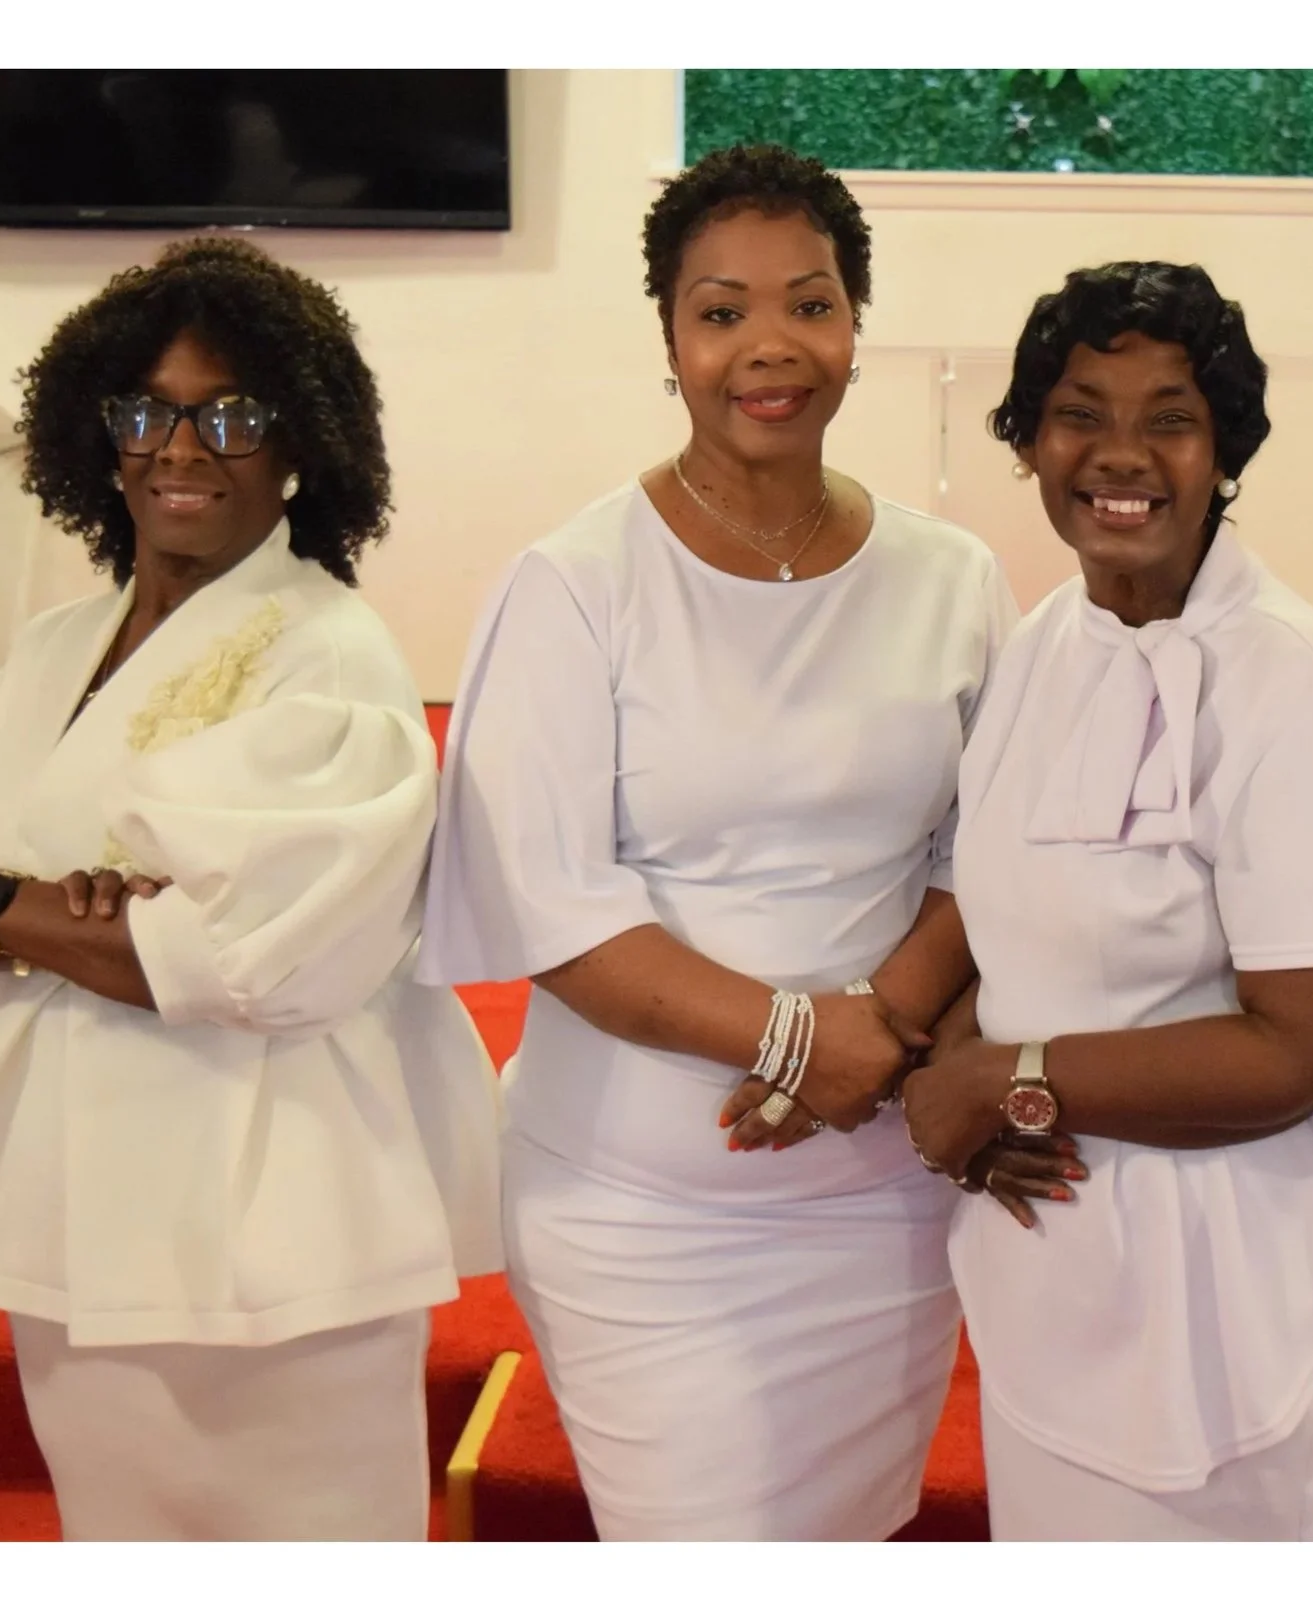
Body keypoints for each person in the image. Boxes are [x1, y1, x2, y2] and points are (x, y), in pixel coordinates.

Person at [0, 237, 501, 1541]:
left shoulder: (333, 656)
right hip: (79, 1193)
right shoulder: (47, 651)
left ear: (304, 442)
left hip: (276, 1213)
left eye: (233, 415)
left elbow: (251, 951)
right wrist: (57, 909)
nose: (181, 448)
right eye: (146, 411)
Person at [415, 144, 1013, 1541]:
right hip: (642, 1206)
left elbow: (980, 852)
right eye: (721, 310)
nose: (769, 347)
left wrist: (879, 1028)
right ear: (671, 340)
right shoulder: (575, 584)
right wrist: (804, 1042)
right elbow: (553, 902)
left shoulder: (953, 576)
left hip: (881, 1193)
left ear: (856, 326)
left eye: (808, 303)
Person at [899, 261, 1313, 1541]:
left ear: (1225, 446)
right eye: (1079, 412)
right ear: (1027, 440)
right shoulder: (1042, 644)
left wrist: (1009, 1081)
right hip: (1057, 1262)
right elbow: (1006, 917)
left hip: (1238, 1276)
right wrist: (968, 1063)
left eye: (1170, 418)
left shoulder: (1293, 677)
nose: (1120, 454)